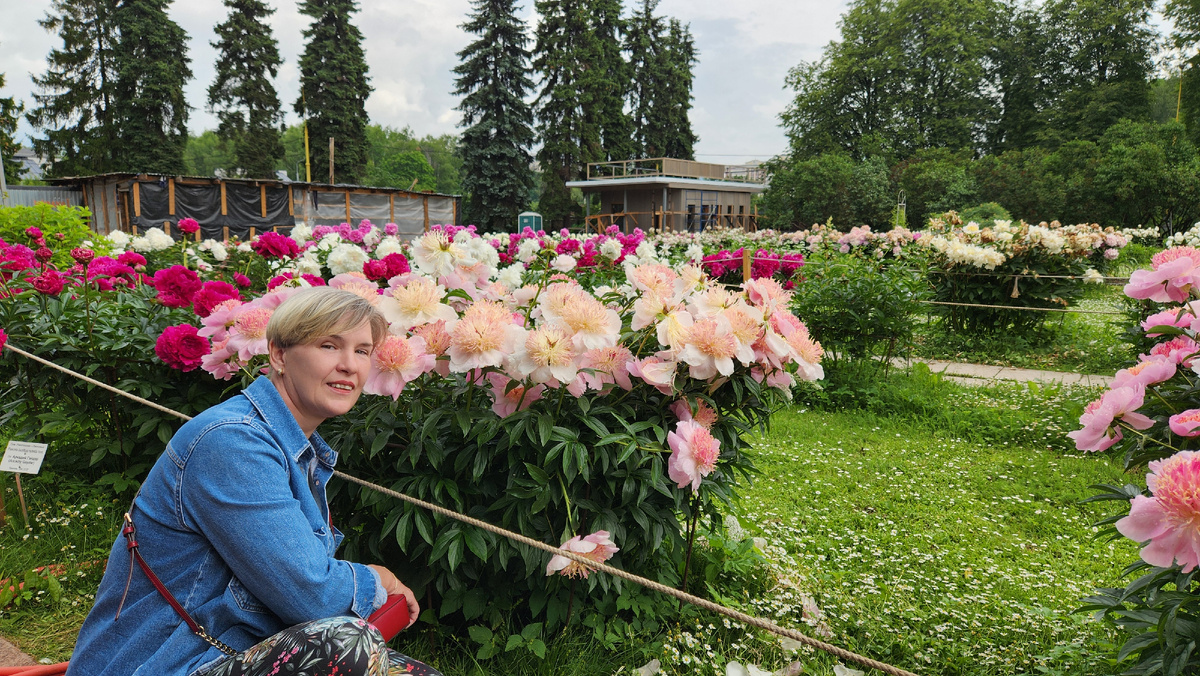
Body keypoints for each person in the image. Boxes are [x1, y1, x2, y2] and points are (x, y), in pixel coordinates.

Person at [66, 287, 441, 676]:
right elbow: (315, 598)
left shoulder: (293, 447)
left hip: (224, 656)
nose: (349, 365)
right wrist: (380, 577)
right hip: (166, 663)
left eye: (362, 351)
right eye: (329, 346)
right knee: (344, 646)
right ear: (279, 354)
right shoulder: (233, 442)